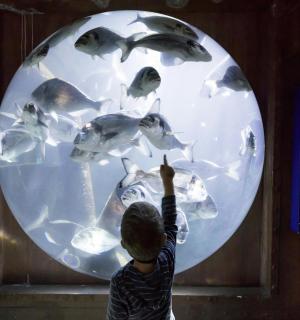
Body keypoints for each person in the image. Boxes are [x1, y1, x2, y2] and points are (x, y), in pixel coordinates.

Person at [106, 154, 177, 320]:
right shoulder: (167, 260)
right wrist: (168, 181)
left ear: (123, 244)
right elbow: (171, 222)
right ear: (163, 239)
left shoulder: (120, 282)